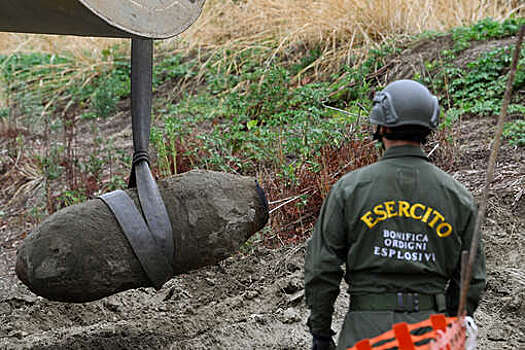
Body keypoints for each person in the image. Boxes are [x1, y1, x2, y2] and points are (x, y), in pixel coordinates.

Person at [304, 79, 486, 350]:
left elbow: (321, 268)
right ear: (429, 126)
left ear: (381, 125)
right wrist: (451, 320)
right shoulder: (457, 195)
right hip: (432, 332)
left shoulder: (350, 189)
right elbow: (471, 277)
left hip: (365, 333)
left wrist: (320, 332)